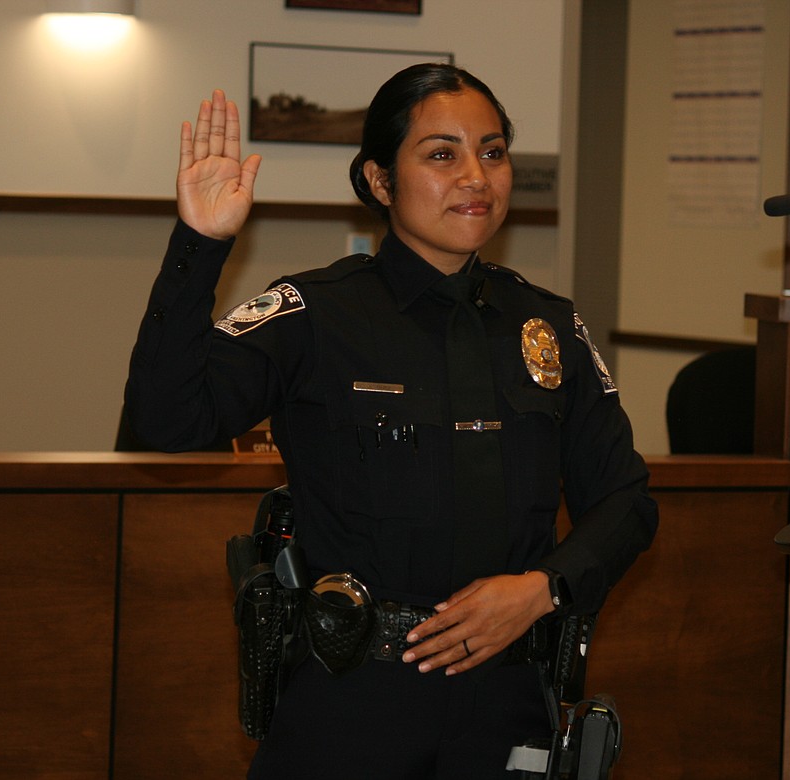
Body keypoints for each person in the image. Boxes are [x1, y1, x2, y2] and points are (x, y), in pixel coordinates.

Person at [125, 64, 658, 780]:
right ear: (379, 181)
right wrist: (200, 242)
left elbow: (626, 501)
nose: (476, 175)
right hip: (352, 698)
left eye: (492, 152)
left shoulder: (548, 324)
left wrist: (544, 588)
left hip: (505, 698)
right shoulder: (314, 314)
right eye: (442, 154)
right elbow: (165, 421)